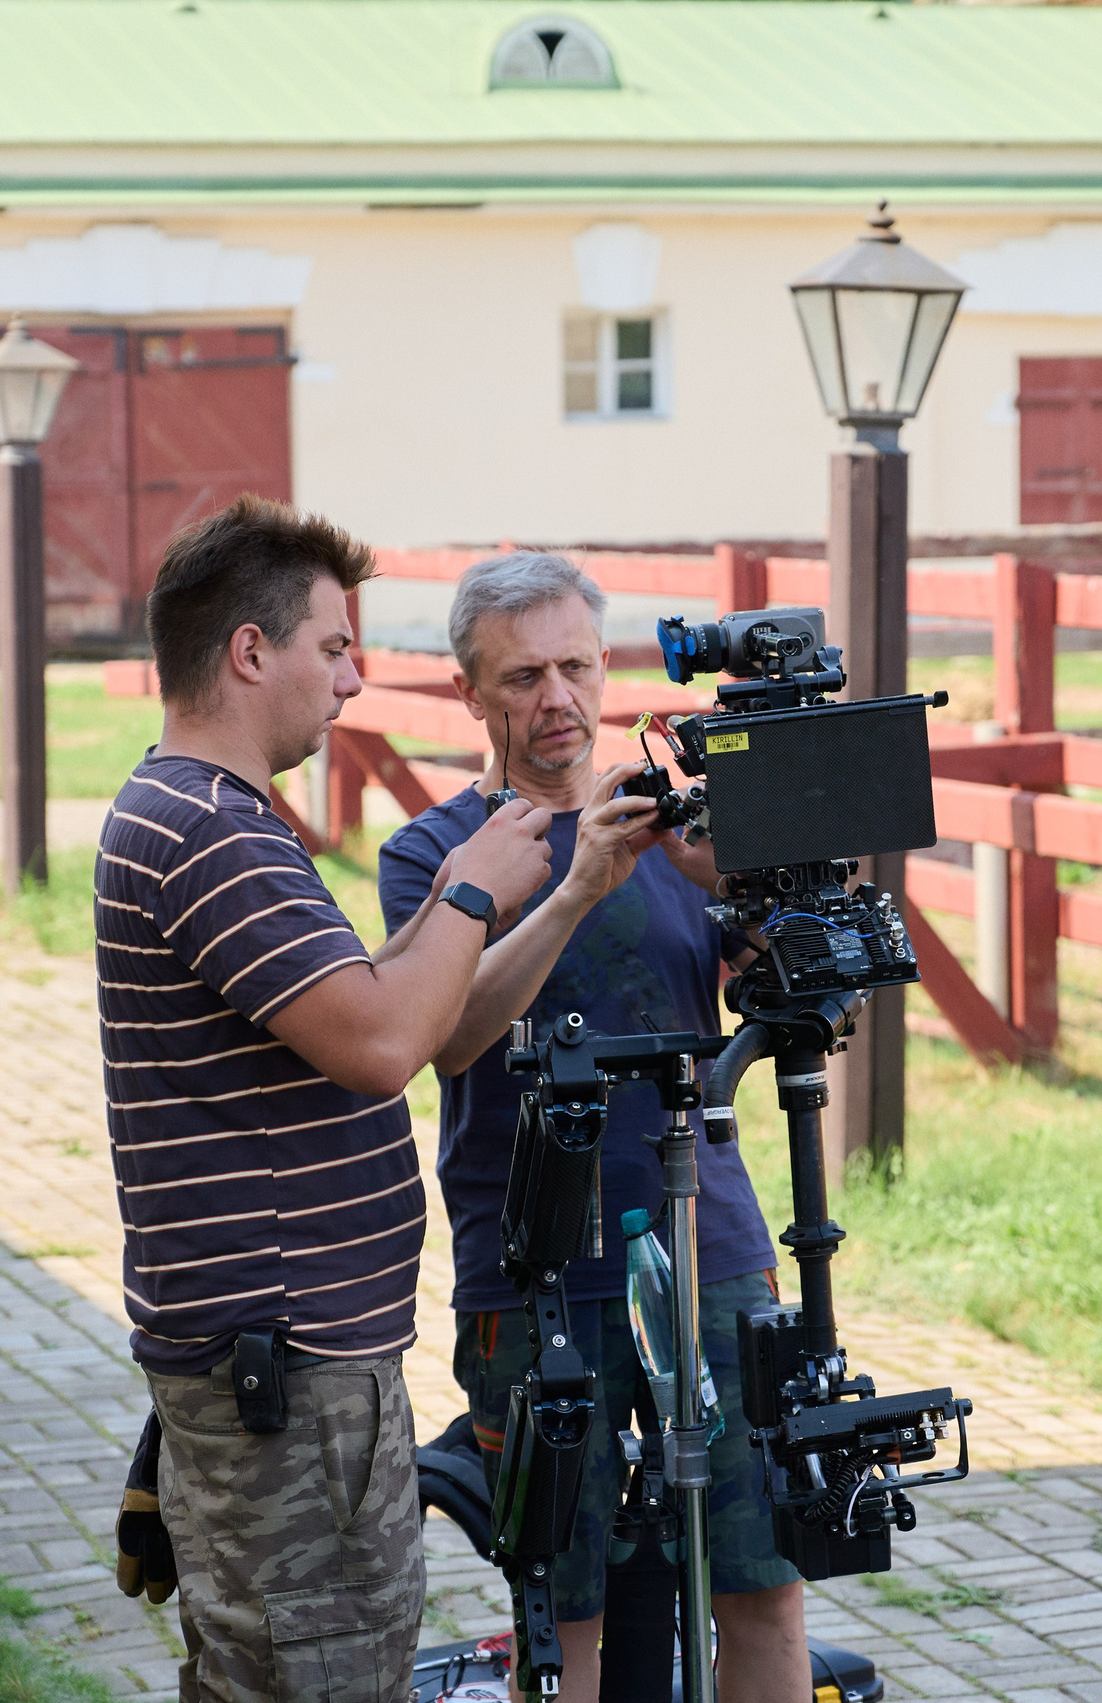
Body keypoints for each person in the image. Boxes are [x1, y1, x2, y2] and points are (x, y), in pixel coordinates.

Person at [97, 497, 555, 1703]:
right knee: (322, 1673)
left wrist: (559, 886)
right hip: (287, 1369)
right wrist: (468, 889)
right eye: (333, 646)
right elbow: (383, 1041)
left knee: (282, 1668)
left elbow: (384, 1000)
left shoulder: (206, 812)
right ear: (250, 652)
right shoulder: (210, 830)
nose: (352, 681)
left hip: (281, 1358)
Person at [377, 553, 808, 1703]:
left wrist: (765, 925)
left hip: (708, 1242)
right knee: (559, 1605)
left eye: (576, 665)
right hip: (536, 1267)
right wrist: (574, 887)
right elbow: (452, 1035)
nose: (557, 698)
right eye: (522, 676)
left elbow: (765, 992)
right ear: (469, 692)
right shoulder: (438, 856)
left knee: (762, 1576)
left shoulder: (674, 832)